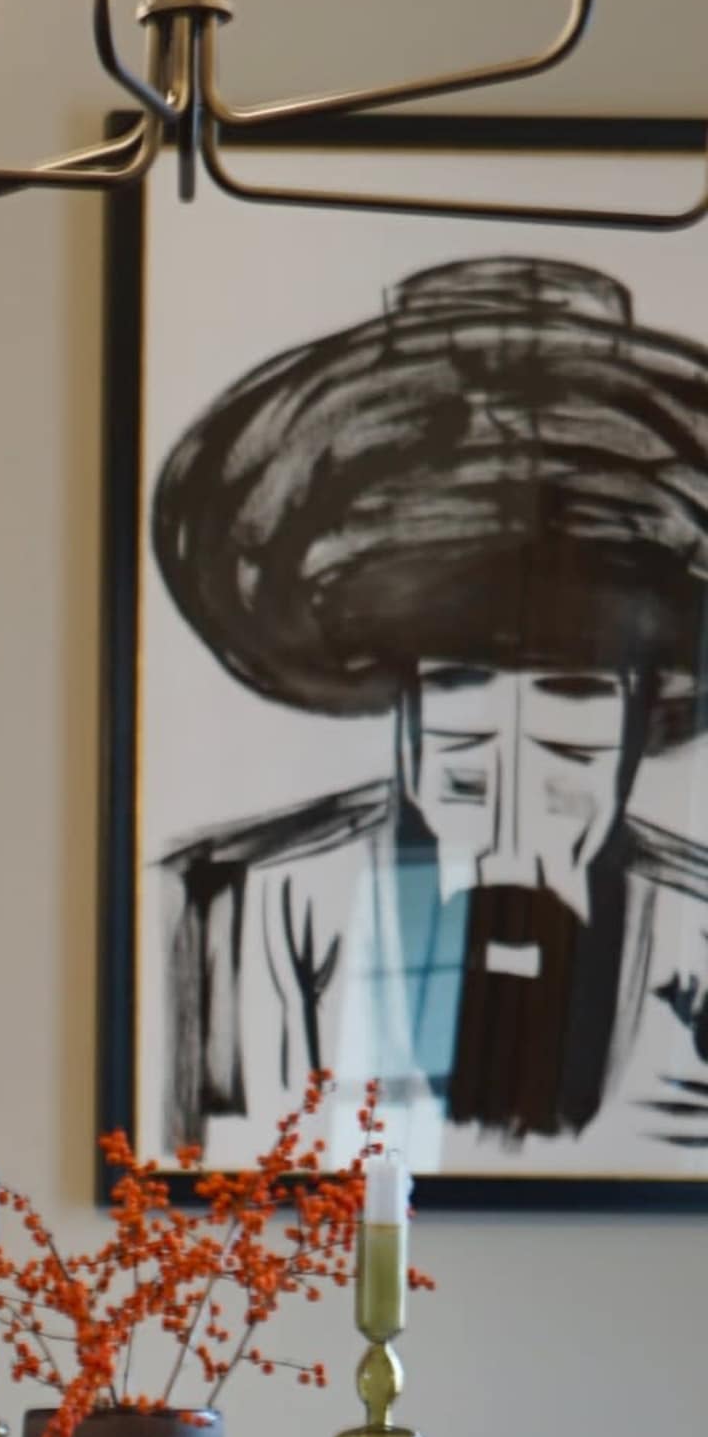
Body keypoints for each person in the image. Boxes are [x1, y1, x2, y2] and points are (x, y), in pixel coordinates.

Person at [153, 253, 708, 1159]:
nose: (511, 756)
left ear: (642, 711)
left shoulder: (696, 922)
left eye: (572, 692)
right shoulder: (241, 902)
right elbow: (226, 1161)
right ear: (404, 707)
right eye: (459, 684)